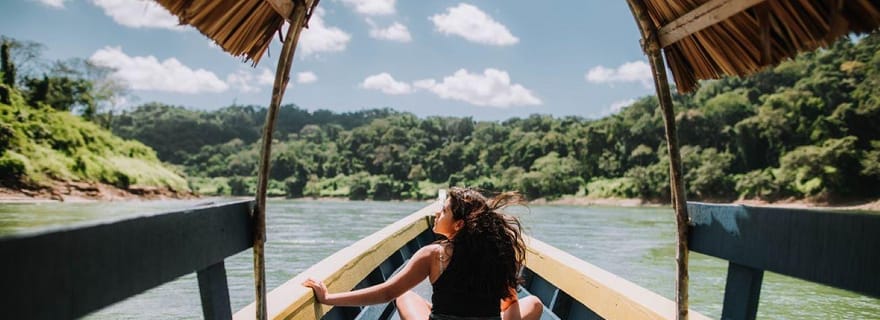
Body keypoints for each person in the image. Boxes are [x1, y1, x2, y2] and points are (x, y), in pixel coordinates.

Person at [302, 187, 543, 320]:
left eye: (444, 210)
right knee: (532, 303)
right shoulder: (500, 252)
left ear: (459, 224)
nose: (437, 213)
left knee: (404, 296)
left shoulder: (433, 254)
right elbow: (511, 302)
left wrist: (329, 298)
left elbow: (387, 292)